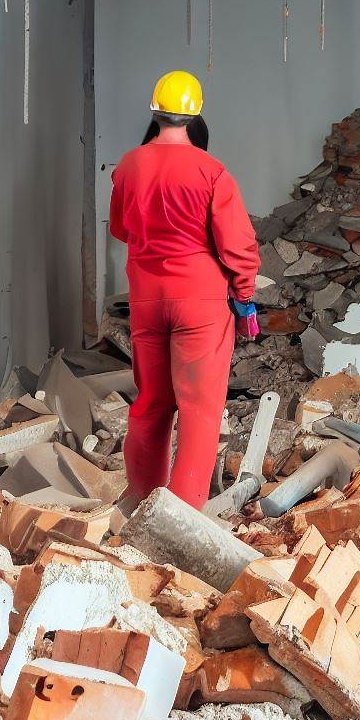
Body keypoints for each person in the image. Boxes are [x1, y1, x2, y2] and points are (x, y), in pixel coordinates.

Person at [109, 70, 261, 511]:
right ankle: (181, 513)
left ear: (155, 110)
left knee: (152, 401)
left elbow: (121, 228)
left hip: (146, 298)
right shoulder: (212, 172)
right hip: (200, 301)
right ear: (196, 114)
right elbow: (238, 245)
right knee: (199, 409)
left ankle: (141, 498)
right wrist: (244, 295)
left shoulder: (129, 166)